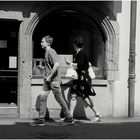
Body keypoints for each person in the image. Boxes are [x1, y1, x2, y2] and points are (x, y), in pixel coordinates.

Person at [32, 35, 74, 126]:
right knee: (43, 98)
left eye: (42, 41)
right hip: (47, 80)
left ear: (48, 43)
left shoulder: (51, 51)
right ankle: (41, 118)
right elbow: (51, 66)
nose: (41, 43)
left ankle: (69, 117)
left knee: (59, 99)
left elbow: (56, 65)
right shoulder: (47, 52)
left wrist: (50, 77)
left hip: (53, 80)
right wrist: (44, 68)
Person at [65, 35, 102, 122]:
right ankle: (70, 117)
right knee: (73, 96)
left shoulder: (81, 53)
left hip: (82, 79)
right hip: (78, 78)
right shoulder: (79, 53)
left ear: (75, 44)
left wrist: (69, 63)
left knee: (85, 97)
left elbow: (80, 66)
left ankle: (97, 113)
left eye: (73, 44)